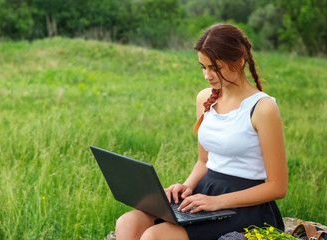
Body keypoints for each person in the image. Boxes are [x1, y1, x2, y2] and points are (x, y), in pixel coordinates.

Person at [115, 24, 288, 240]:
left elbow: (278, 187)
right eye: (203, 67)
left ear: (239, 60)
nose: (207, 75)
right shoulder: (205, 99)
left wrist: (217, 202)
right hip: (205, 192)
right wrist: (185, 187)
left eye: (215, 67)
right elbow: (203, 161)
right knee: (127, 222)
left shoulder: (263, 108)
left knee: (154, 236)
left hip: (245, 206)